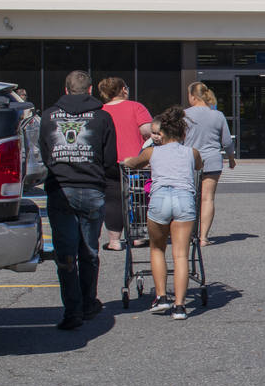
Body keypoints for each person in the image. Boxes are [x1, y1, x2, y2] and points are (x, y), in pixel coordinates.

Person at [39, 70, 118, 330]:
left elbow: (44, 153)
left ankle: (71, 311)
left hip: (60, 188)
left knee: (65, 254)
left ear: (65, 89)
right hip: (92, 188)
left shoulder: (49, 116)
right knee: (89, 251)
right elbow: (109, 160)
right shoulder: (102, 117)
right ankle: (88, 303)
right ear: (91, 89)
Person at [122, 105, 202, 320]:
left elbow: (133, 163)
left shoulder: (151, 152)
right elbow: (198, 165)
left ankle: (161, 297)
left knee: (157, 248)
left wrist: (126, 161)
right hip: (184, 199)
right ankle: (180, 306)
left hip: (160, 199)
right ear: (183, 133)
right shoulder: (191, 152)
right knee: (181, 255)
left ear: (163, 133)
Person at [98, 76, 153, 251]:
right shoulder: (136, 107)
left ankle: (114, 241)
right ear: (123, 89)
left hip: (110, 161)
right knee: (139, 197)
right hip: (136, 161)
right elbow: (147, 130)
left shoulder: (101, 110)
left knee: (113, 199)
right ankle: (138, 237)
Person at [183, 82, 236, 243]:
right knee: (207, 198)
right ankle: (203, 237)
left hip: (189, 160)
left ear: (193, 96)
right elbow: (226, 142)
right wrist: (231, 159)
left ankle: (187, 235)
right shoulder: (217, 115)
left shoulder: (184, 115)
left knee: (188, 198)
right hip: (212, 161)